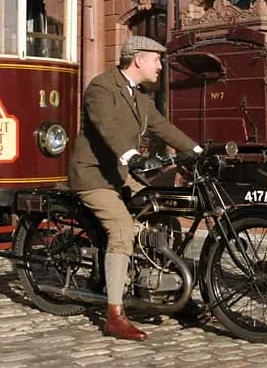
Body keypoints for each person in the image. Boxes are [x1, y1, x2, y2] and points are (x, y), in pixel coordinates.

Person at [68, 35, 202, 341]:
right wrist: (132, 156)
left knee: (166, 212)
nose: (160, 66)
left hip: (120, 173)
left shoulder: (139, 96)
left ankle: (170, 292)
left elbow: (162, 126)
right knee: (122, 229)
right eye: (157, 60)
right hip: (94, 175)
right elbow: (107, 126)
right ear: (139, 59)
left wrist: (196, 152)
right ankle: (114, 315)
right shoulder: (102, 88)